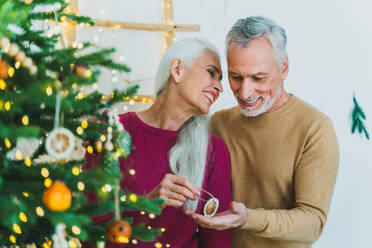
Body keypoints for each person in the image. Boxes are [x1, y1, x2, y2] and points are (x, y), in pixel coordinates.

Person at [185, 16, 339, 248]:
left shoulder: (314, 128)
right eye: (236, 77)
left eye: (258, 78)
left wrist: (248, 218)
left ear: (284, 67)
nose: (245, 93)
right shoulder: (219, 122)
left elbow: (313, 223)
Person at [83, 38, 232, 247]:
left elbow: (217, 240)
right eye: (211, 72)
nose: (219, 87)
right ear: (178, 69)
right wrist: (146, 205)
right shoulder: (112, 134)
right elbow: (89, 231)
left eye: (221, 79)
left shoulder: (214, 150)